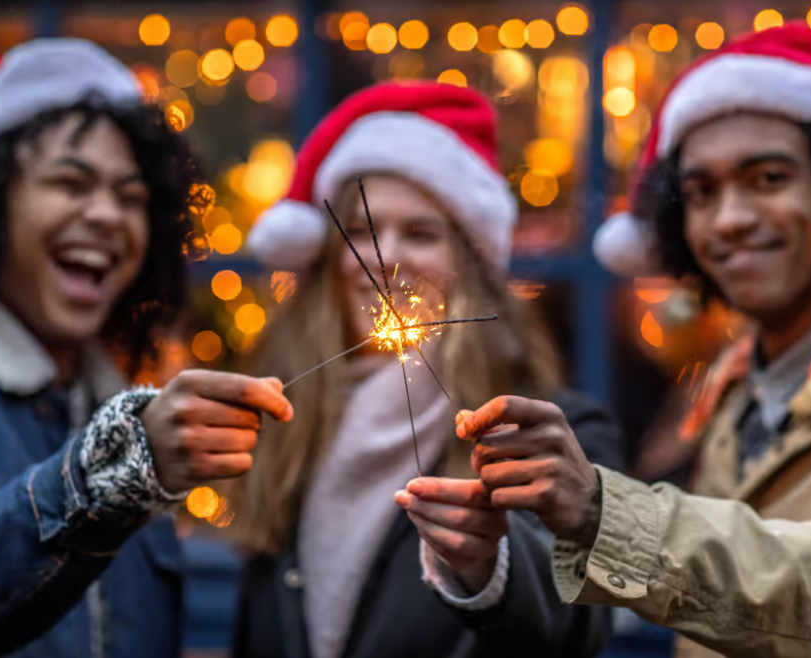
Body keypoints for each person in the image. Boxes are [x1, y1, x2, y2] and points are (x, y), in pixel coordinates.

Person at [407, 22, 811, 658]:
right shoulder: (734, 385)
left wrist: (602, 511)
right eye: (701, 193)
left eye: (769, 179)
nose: (731, 219)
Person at [0, 39, 292, 657]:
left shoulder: (105, 392)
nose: (107, 216)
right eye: (71, 183)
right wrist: (108, 475)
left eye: (131, 197)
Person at [228, 82, 622, 658]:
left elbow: (582, 618)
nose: (384, 256)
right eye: (360, 231)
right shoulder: (290, 414)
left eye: (420, 233)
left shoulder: (546, 431)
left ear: (470, 263)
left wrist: (488, 567)